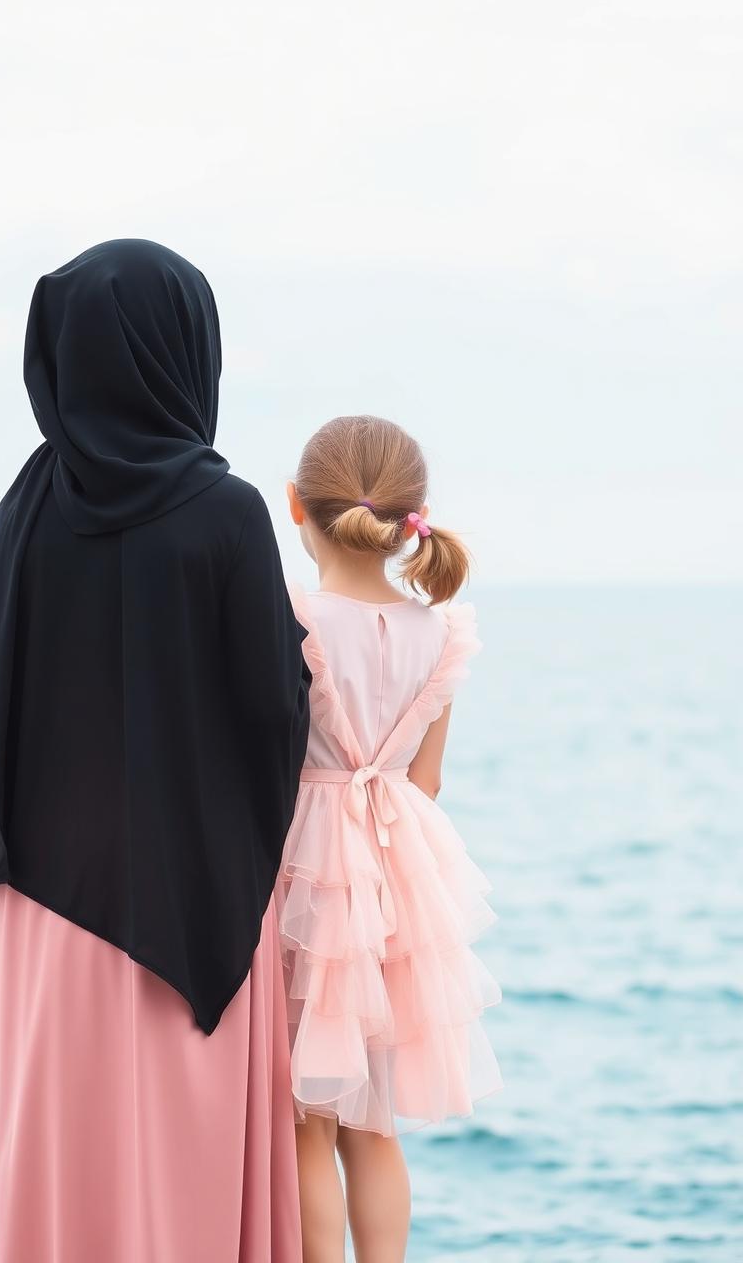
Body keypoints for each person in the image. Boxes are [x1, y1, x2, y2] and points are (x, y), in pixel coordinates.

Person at [0, 239, 311, 1263]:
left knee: (58, 1184)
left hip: (34, 915)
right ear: (182, 350)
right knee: (180, 1187)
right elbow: (271, 717)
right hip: (183, 902)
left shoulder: (21, 508)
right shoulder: (223, 510)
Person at [275, 415, 502, 1263]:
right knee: (373, 1125)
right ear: (414, 516)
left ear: (296, 506)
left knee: (304, 1120)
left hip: (304, 875)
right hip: (398, 872)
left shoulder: (290, 613)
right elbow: (426, 783)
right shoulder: (443, 632)